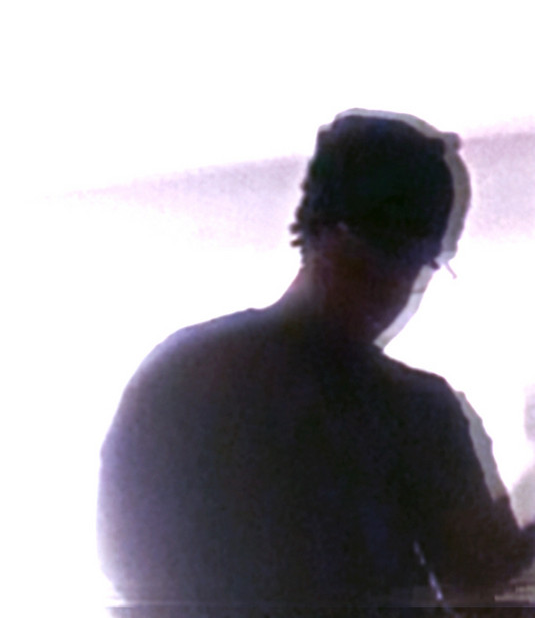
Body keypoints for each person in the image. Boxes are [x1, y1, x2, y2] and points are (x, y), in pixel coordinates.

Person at [97, 110, 535, 613]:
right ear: (323, 235)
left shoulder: (180, 372)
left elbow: (129, 570)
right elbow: (486, 584)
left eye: (413, 266)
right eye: (378, 259)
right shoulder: (409, 410)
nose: (391, 288)